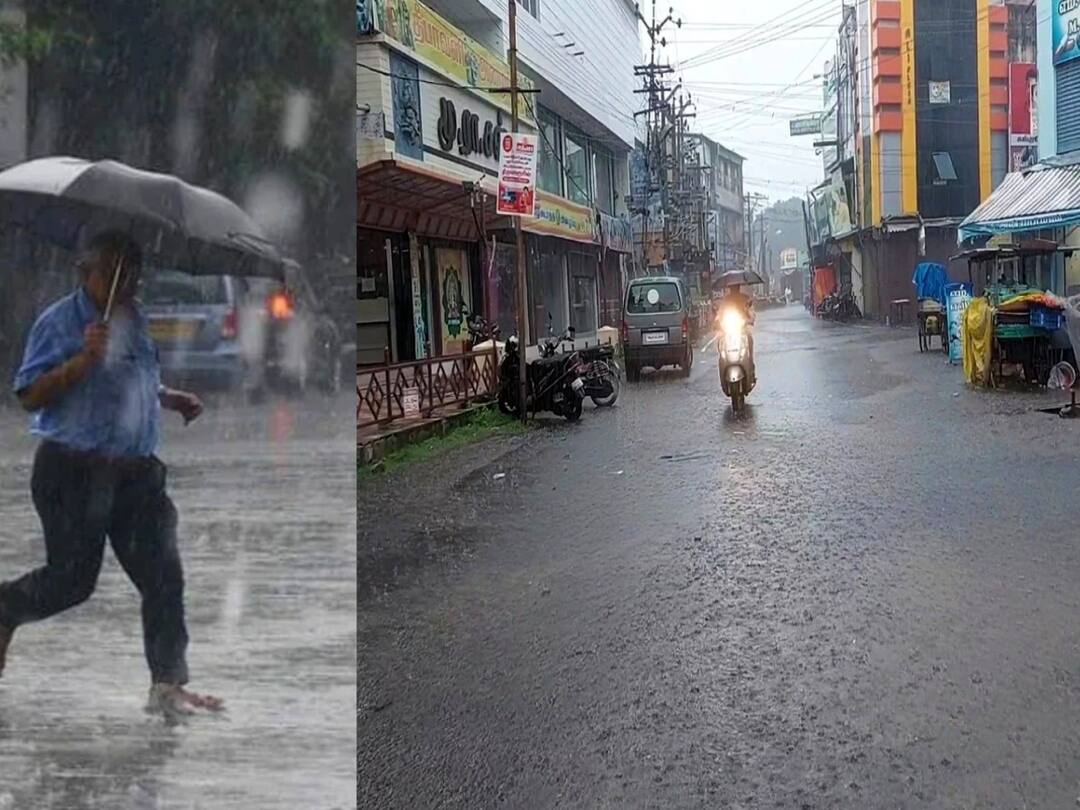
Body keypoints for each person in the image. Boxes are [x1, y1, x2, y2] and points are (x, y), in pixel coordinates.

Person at [0, 230, 223, 717]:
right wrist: (81, 362)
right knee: (72, 582)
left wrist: (168, 397)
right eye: (115, 273)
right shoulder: (59, 323)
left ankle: (167, 685)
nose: (127, 285)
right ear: (87, 273)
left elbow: (137, 377)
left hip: (137, 475)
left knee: (164, 576)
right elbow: (27, 394)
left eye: (134, 274)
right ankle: (5, 609)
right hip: (73, 472)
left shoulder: (136, 320)